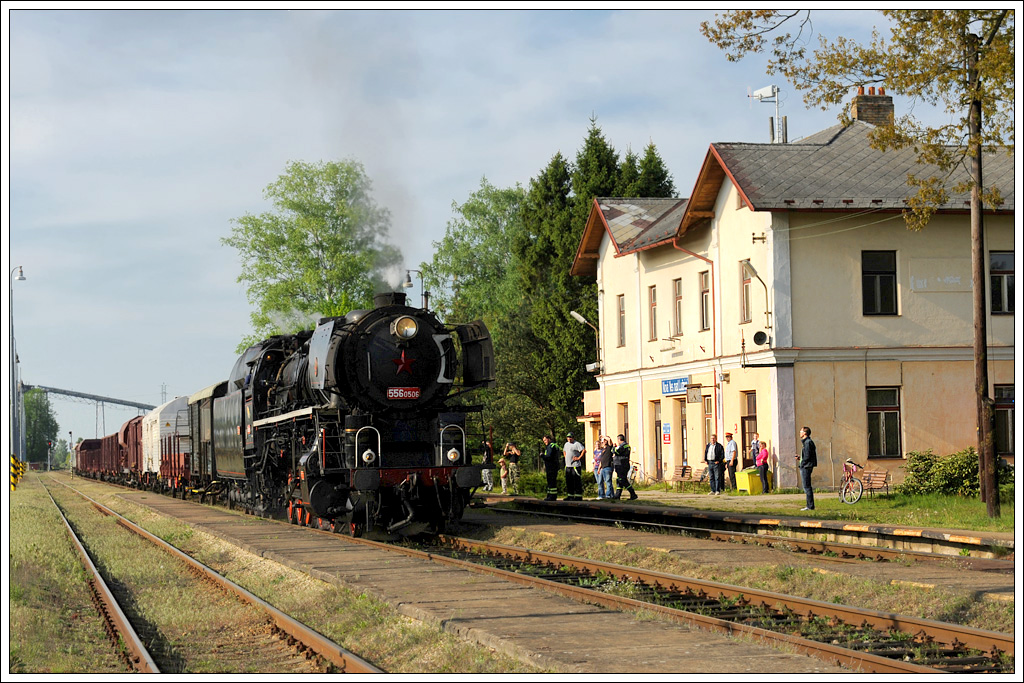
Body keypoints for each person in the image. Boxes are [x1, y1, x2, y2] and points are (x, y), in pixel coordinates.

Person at [796, 426, 817, 510]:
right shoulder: (806, 442)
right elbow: (806, 455)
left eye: (801, 431)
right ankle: (809, 505)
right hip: (806, 465)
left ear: (805, 433)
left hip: (806, 466)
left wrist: (802, 463)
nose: (800, 433)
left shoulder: (808, 442)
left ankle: (810, 506)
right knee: (806, 486)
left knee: (807, 487)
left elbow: (808, 456)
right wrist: (800, 458)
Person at [612, 434, 638, 500]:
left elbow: (616, 452)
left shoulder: (624, 446)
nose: (617, 441)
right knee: (619, 480)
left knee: (622, 480)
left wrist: (614, 447)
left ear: (619, 439)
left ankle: (633, 494)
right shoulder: (625, 446)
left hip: (622, 465)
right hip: (621, 465)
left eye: (618, 440)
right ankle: (617, 495)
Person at [562, 432, 585, 501]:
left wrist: (579, 457)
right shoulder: (566, 444)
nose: (569, 439)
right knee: (569, 481)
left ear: (573, 438)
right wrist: (565, 457)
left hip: (575, 466)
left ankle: (578, 496)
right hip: (568, 466)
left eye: (570, 437)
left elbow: (583, 450)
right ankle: (570, 496)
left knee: (576, 481)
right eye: (568, 437)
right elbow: (564, 450)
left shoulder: (577, 444)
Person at [541, 435, 561, 501]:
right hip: (551, 466)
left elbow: (549, 457)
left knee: (551, 481)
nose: (544, 442)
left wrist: (542, 455)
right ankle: (550, 495)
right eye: (543, 441)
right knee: (550, 481)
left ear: (549, 439)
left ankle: (552, 496)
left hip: (552, 467)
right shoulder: (551, 446)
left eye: (545, 440)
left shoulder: (551, 446)